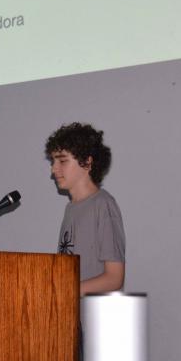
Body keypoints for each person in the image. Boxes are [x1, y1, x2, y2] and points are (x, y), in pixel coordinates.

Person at [46, 122, 126, 295]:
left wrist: (65, 291)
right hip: (70, 316)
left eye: (62, 161)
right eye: (53, 161)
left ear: (87, 162)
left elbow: (114, 278)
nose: (54, 169)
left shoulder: (103, 205)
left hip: (93, 318)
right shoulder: (70, 209)